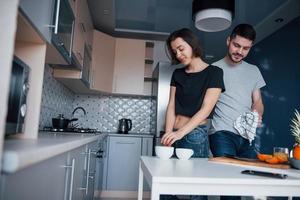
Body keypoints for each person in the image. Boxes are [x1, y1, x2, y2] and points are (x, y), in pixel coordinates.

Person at [161, 28, 225, 200]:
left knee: (195, 188)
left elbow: (206, 108)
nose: (179, 54)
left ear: (192, 44)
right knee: (165, 185)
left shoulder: (214, 73)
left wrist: (180, 132)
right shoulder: (178, 74)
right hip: (173, 133)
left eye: (181, 48)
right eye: (175, 51)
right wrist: (168, 133)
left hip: (194, 136)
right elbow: (171, 105)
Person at [208, 24, 266, 200]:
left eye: (245, 48)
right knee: (230, 186)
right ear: (228, 41)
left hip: (247, 137)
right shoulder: (213, 69)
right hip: (222, 133)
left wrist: (257, 113)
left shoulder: (253, 71)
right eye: (236, 45)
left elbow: (258, 101)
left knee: (253, 183)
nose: (240, 51)